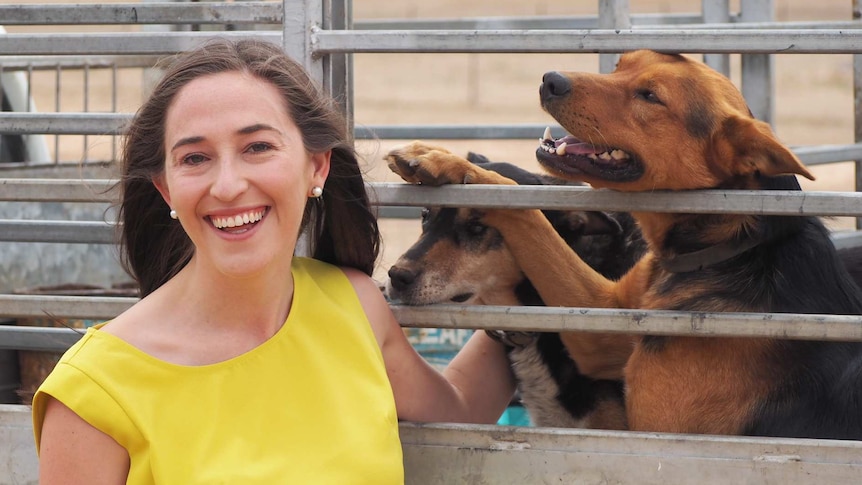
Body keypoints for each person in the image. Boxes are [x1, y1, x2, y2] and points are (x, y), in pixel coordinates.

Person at [32, 38, 516, 484]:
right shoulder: (92, 395)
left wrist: (540, 263)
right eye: (194, 158)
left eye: (257, 147)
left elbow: (461, 407)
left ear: (317, 166)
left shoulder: (353, 303)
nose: (226, 185)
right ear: (165, 189)